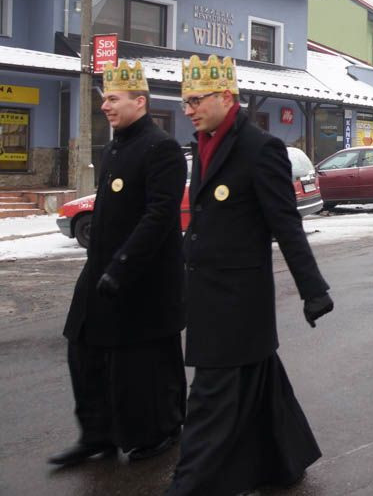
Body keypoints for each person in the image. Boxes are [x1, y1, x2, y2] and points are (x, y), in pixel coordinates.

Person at [167, 55, 334, 496]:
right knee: (261, 380)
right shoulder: (204, 143)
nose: (188, 110)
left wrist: (313, 289)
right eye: (185, 102)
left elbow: (285, 224)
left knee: (209, 399)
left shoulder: (261, 149)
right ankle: (286, 459)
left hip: (237, 300)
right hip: (208, 290)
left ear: (227, 97)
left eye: (196, 100)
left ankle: (187, 486)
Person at [51, 61, 187, 467]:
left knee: (143, 361)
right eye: (104, 98)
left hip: (144, 276)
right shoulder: (113, 148)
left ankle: (161, 430)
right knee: (83, 345)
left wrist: (123, 265)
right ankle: (97, 435)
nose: (105, 105)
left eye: (113, 98)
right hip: (102, 269)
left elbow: (159, 216)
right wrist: (103, 265)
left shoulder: (161, 148)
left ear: (139, 102)